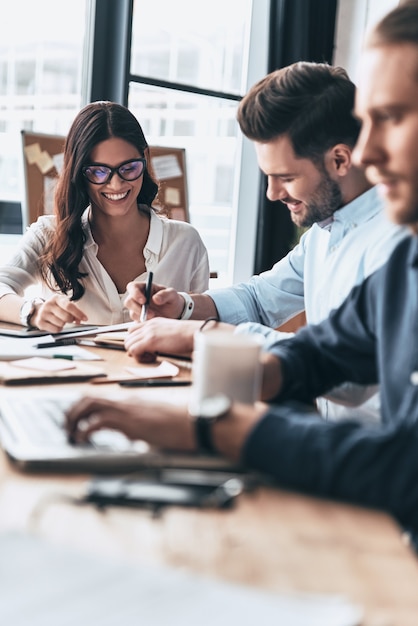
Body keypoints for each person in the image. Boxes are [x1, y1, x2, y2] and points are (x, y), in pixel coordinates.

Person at [66, 0, 418, 537]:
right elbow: (317, 346)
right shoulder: (378, 251)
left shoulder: (394, 242)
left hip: (370, 495)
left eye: (390, 117)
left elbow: (396, 453)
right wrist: (188, 313)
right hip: (343, 470)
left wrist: (211, 417)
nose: (369, 149)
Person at [123, 61, 407, 422]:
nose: (273, 194)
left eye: (285, 177)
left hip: (377, 464)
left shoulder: (397, 242)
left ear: (340, 159)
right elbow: (260, 298)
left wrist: (206, 336)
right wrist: (183, 307)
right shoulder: (324, 230)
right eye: (268, 177)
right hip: (325, 441)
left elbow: (349, 378)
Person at [0, 101, 209, 333]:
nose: (116, 183)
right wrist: (32, 311)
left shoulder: (185, 242)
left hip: (156, 369)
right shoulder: (48, 234)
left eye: (129, 168)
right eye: (99, 172)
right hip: (74, 368)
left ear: (145, 158)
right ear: (79, 173)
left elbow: (201, 329)